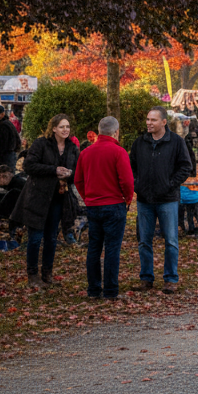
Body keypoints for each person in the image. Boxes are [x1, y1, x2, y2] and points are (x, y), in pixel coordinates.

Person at [10, 114, 80, 288]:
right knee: (35, 237)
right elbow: (29, 166)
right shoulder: (41, 144)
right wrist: (53, 170)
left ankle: (47, 274)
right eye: (62, 127)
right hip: (38, 196)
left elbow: (77, 170)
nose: (66, 130)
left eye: (68, 127)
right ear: (54, 128)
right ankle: (32, 275)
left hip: (59, 198)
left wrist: (69, 174)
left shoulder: (72, 148)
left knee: (51, 238)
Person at [129, 107, 193, 293]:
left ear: (164, 122)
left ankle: (170, 278)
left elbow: (185, 167)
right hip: (145, 199)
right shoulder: (140, 143)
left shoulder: (176, 142)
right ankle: (146, 278)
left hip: (167, 199)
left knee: (171, 241)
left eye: (153, 120)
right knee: (144, 241)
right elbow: (131, 167)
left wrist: (170, 184)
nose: (149, 123)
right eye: (148, 119)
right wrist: (137, 185)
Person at [74, 116, 134, 299]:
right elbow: (127, 180)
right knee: (112, 249)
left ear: (98, 131)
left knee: (94, 248)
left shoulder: (86, 153)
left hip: (93, 205)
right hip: (114, 204)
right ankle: (110, 290)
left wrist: (88, 197)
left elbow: (78, 180)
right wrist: (127, 199)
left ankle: (93, 289)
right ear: (116, 132)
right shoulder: (118, 152)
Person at [0, 164, 27, 235]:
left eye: (2, 176)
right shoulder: (12, 182)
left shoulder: (17, 184)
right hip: (17, 210)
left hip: (19, 211)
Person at [0, 105, 20, 183]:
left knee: (4, 178)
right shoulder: (7, 124)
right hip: (9, 155)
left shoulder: (3, 126)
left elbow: (0, 144)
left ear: (2, 115)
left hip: (5, 157)